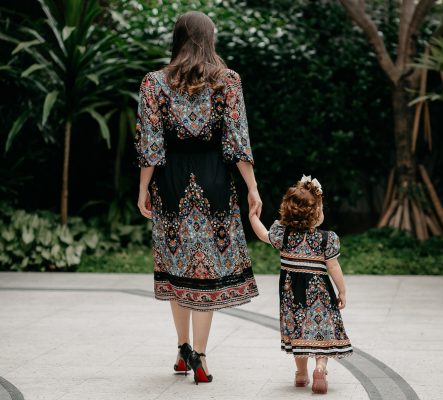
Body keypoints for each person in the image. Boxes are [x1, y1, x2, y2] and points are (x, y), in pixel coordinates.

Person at [134, 11, 261, 384]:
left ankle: (181, 348)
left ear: (177, 38)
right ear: (210, 39)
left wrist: (143, 188)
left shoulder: (153, 83)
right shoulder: (228, 82)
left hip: (170, 182)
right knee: (205, 267)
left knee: (177, 265)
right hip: (215, 181)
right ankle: (201, 357)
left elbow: (150, 145)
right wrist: (252, 187)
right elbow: (237, 142)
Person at [249, 175, 353, 395]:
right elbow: (333, 267)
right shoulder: (327, 239)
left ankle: (301, 374)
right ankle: (320, 367)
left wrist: (252, 217)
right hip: (320, 295)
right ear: (316, 213)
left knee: (298, 331)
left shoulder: (282, 235)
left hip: (292, 295)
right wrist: (341, 290)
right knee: (322, 331)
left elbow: (263, 235)